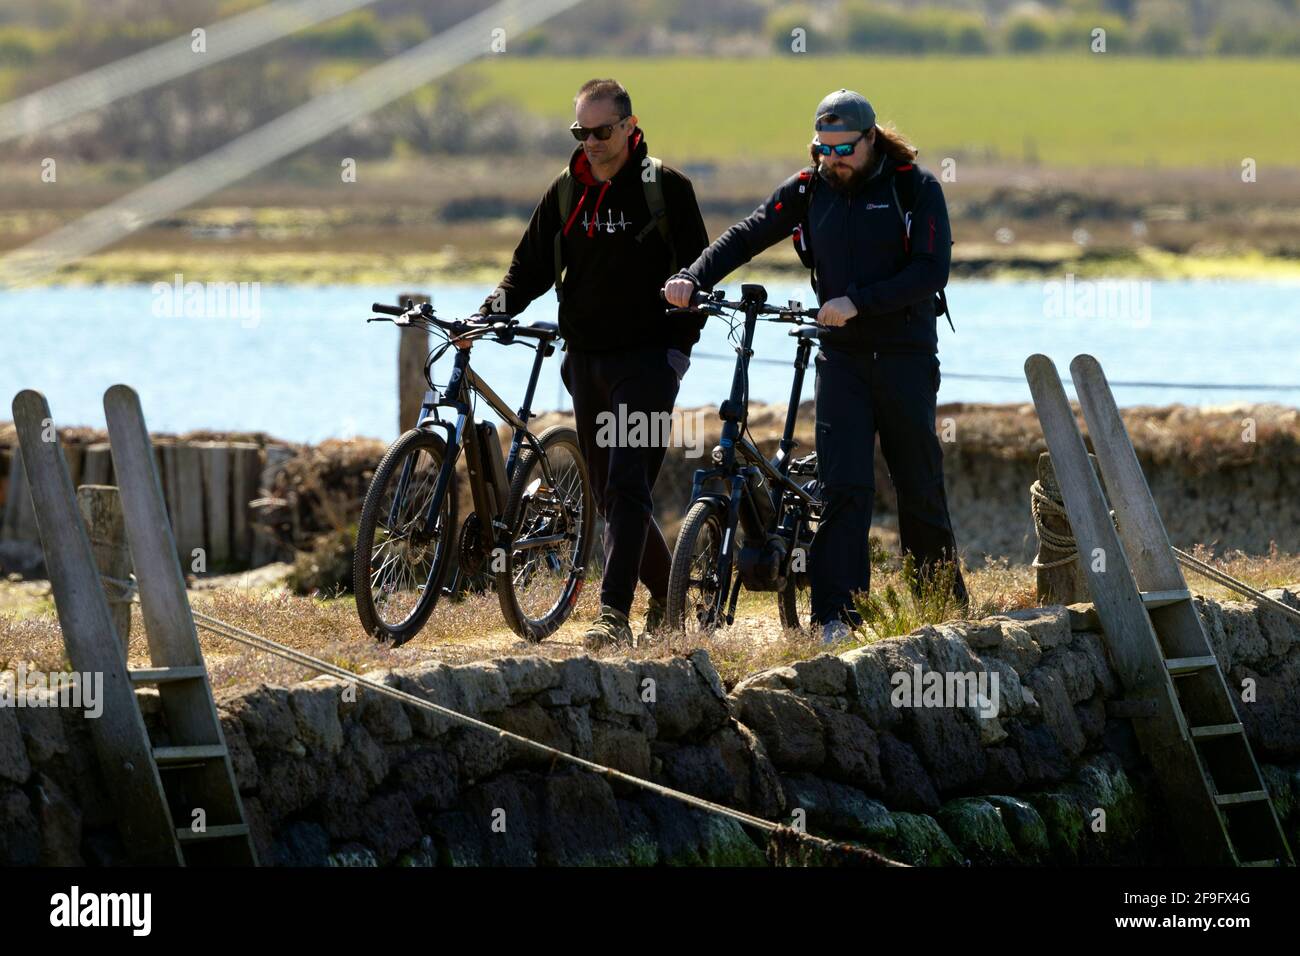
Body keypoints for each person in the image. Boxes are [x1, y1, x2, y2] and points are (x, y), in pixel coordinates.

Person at [664, 89, 969, 643]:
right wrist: (695, 275)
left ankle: (941, 607)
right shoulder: (808, 190)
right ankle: (837, 619)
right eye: (822, 149)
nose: (833, 160)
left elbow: (931, 271)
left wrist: (859, 301)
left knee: (917, 485)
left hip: (904, 356)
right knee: (843, 488)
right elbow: (748, 234)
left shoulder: (914, 188)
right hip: (842, 361)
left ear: (871, 140)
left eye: (844, 149)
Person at [480, 78, 709, 650]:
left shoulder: (667, 189)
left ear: (630, 128)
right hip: (585, 362)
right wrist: (488, 314)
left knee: (629, 483)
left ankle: (612, 615)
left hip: (649, 364)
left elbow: (701, 273)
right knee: (610, 494)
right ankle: (671, 597)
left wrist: (678, 352)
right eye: (581, 132)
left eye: (602, 131)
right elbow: (527, 270)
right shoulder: (566, 190)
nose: (591, 142)